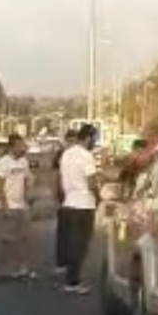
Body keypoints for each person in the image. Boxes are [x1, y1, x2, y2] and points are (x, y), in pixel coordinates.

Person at [59, 123, 100, 294]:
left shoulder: (66, 154)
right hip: (84, 204)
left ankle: (70, 277)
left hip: (69, 202)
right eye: (94, 139)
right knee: (81, 245)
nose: (95, 143)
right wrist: (99, 196)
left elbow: (61, 179)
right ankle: (73, 281)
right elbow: (91, 182)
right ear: (88, 138)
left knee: (71, 243)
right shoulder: (86, 156)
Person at [0, 133, 33, 278]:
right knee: (8, 239)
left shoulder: (24, 162)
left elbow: (27, 179)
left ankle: (23, 267)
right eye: (19, 146)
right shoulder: (3, 162)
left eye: (23, 145)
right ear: (12, 147)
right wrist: (4, 206)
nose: (22, 148)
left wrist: (28, 197)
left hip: (22, 205)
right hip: (9, 205)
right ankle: (6, 267)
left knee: (24, 238)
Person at [53, 129, 78, 274]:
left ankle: (73, 262)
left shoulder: (80, 155)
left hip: (77, 198)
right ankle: (61, 261)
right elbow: (56, 175)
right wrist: (57, 195)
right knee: (63, 231)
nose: (72, 144)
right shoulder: (61, 155)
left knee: (75, 233)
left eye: (74, 141)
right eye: (70, 141)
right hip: (64, 197)